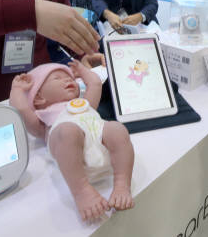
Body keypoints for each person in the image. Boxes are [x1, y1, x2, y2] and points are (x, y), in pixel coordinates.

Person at [9, 60, 134, 222]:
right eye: (57, 78)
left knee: (116, 129)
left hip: (101, 143)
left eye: (70, 78)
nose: (68, 80)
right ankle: (82, 192)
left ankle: (122, 184)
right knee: (67, 131)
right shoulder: (43, 120)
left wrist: (82, 71)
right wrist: (17, 89)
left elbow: (95, 84)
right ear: (38, 97)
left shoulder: (85, 104)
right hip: (72, 159)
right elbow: (20, 108)